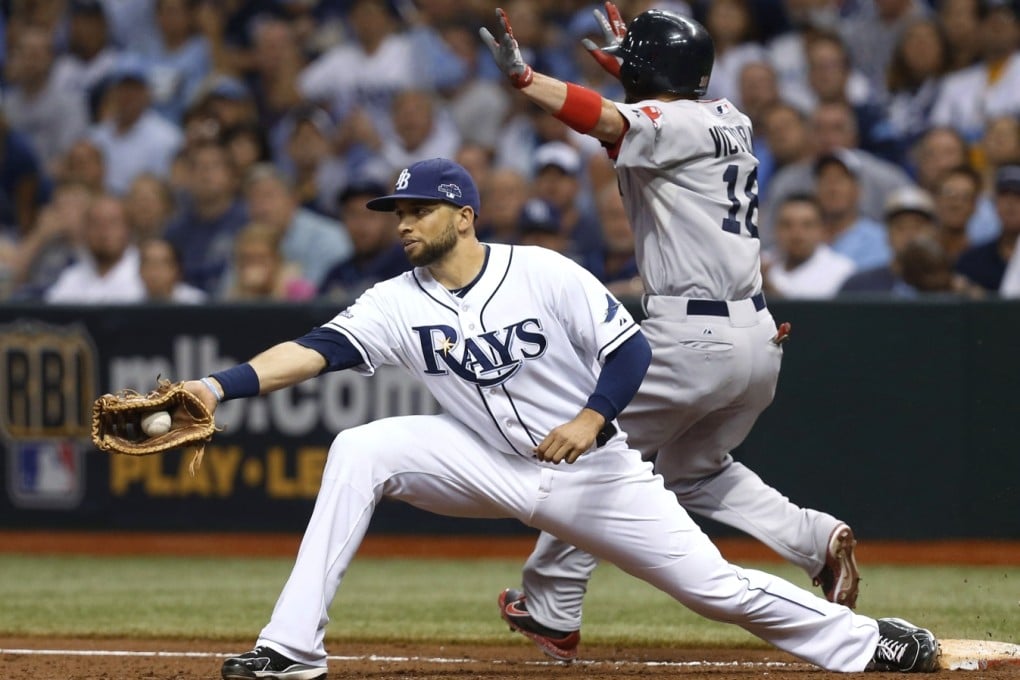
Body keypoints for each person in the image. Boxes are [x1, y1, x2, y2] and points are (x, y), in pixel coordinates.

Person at [182, 158, 936, 679]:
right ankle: (291, 649)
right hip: (484, 459)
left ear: (464, 215)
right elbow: (315, 350)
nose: (403, 223)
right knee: (360, 448)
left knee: (715, 590)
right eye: (397, 211)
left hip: (592, 471)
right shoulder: (393, 301)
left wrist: (592, 418)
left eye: (419, 209)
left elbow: (631, 353)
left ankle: (872, 644)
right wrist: (218, 388)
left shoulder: (540, 271)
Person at [480, 6, 885, 662]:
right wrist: (633, 63)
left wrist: (527, 78)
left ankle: (551, 602)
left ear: (650, 73)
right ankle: (814, 539)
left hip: (690, 339)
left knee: (594, 453)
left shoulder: (668, 123)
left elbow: (609, 119)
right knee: (694, 468)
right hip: (755, 338)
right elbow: (642, 120)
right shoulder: (732, 118)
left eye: (636, 65)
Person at [762, 193, 856, 298]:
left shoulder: (842, 271)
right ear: (775, 229)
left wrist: (766, 286)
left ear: (823, 230)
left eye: (807, 225)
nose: (796, 234)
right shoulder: (759, 264)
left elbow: (808, 312)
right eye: (787, 225)